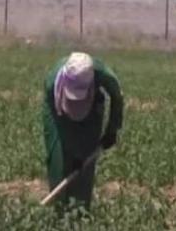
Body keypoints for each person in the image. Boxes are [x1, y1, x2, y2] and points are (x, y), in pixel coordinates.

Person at [42, 51, 124, 212]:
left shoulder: (103, 74)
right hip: (58, 110)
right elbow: (64, 131)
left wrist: (112, 129)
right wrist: (73, 151)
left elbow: (117, 96)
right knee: (59, 154)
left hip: (92, 105)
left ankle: (80, 209)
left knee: (86, 157)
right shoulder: (53, 82)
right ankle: (59, 208)